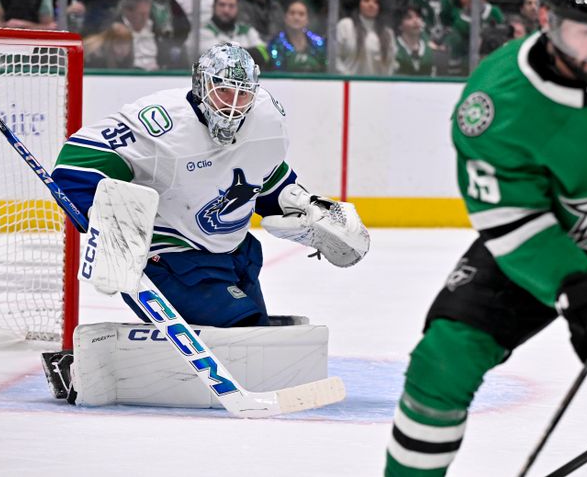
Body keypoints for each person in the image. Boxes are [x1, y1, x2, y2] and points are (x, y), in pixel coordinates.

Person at [385, 0, 587, 476]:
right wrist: (577, 291)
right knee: (443, 360)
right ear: (545, 18)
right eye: (582, 30)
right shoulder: (494, 107)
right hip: (549, 241)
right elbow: (515, 220)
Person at [45, 42, 370, 400]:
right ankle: (82, 371)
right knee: (239, 334)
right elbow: (75, 167)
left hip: (233, 257)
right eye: (223, 91)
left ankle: (86, 364)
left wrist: (302, 204)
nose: (233, 104)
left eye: (242, 94)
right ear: (201, 85)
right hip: (168, 258)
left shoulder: (266, 119)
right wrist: (110, 228)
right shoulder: (160, 124)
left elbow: (264, 177)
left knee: (253, 340)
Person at [197, 0, 268, 65]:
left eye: (231, 6)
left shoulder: (247, 30)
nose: (226, 10)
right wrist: (249, 54)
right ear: (213, 7)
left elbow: (264, 53)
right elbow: (218, 59)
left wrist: (231, 53)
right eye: (222, 5)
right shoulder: (203, 32)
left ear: (237, 8)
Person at [335, 0, 395, 75]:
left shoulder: (387, 33)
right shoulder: (345, 26)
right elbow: (335, 58)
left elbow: (391, 65)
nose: (371, 4)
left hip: (378, 86)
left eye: (375, 2)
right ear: (359, 4)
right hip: (348, 84)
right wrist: (348, 77)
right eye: (366, 0)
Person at [267, 0, 326, 72]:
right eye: (292, 13)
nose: (296, 18)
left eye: (301, 14)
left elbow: (324, 69)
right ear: (285, 18)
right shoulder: (275, 43)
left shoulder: (318, 43)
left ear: (307, 20)